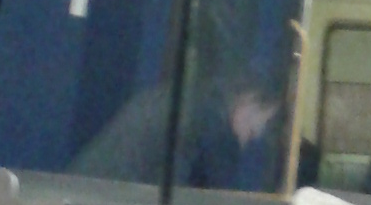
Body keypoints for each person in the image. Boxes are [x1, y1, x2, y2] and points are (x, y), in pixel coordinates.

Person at [69, 74, 279, 191]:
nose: (259, 133)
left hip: (86, 192)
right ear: (248, 101)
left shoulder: (185, 103)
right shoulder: (208, 131)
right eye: (264, 120)